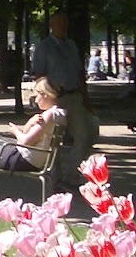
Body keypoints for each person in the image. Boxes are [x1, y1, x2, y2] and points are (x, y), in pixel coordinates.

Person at [31, 11, 97, 176]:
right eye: (59, 23)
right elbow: (38, 74)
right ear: (51, 26)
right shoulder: (44, 47)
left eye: (65, 22)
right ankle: (54, 175)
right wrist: (45, 96)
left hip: (74, 96)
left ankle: (72, 172)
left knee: (84, 136)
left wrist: (85, 96)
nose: (63, 26)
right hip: (55, 99)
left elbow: (79, 72)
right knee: (54, 140)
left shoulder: (71, 45)